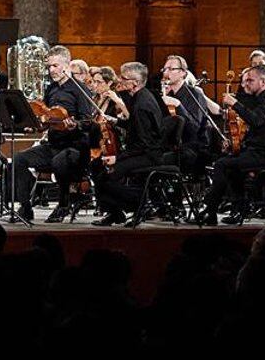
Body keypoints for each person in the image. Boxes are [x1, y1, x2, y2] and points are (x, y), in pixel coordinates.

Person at [11, 45, 96, 223]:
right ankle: (25, 207)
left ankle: (64, 204)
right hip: (53, 145)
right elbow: (47, 117)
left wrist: (75, 125)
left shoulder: (80, 91)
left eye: (55, 66)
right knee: (19, 159)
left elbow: (89, 122)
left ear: (67, 65)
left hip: (75, 148)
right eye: (49, 66)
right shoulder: (51, 89)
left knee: (60, 161)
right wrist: (36, 126)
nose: (51, 70)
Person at [198, 64, 265, 224]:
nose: (245, 84)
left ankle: (210, 211)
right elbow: (257, 130)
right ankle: (238, 209)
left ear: (262, 82)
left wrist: (235, 104)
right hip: (260, 152)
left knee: (222, 165)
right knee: (229, 164)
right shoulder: (263, 99)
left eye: (250, 80)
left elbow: (256, 120)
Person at [90, 62, 171, 226]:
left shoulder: (141, 104)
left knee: (106, 175)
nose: (120, 80)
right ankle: (117, 212)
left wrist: (117, 157)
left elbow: (143, 143)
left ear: (134, 83)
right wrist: (115, 121)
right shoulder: (141, 96)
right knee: (97, 167)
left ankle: (139, 203)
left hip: (148, 155)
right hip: (143, 151)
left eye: (124, 78)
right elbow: (135, 127)